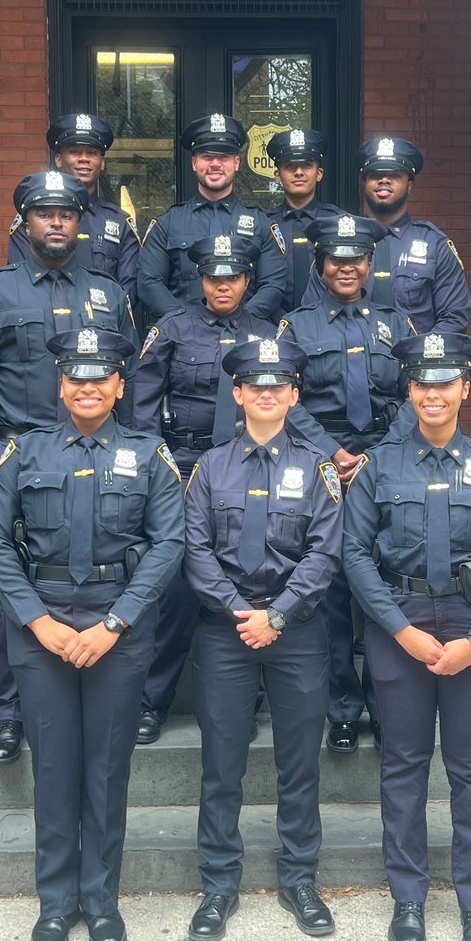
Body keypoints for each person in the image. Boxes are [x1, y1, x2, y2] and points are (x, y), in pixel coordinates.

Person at [0, 328, 185, 941]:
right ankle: (55, 904)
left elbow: (168, 546)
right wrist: (39, 623)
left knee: (104, 770)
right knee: (55, 768)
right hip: (41, 630)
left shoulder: (152, 456)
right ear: (60, 384)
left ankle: (100, 902)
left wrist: (114, 623)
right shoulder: (21, 451)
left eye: (100, 378)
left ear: (120, 386)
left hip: (115, 631)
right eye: (76, 378)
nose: (88, 388)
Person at [342, 332, 471, 941]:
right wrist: (401, 630)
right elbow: (355, 554)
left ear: (461, 390)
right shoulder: (380, 468)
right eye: (422, 382)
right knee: (403, 764)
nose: (433, 393)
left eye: (445, 382)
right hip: (402, 624)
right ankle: (409, 898)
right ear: (410, 390)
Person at [0, 170, 140, 766]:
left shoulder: (109, 293)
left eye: (67, 213)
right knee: (11, 585)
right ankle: (8, 715)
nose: (57, 222)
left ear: (80, 223)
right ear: (25, 222)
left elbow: (126, 378)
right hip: (19, 453)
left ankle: (97, 697)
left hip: (97, 451)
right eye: (44, 213)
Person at [183, 337, 343, 941]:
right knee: (220, 766)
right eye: (256, 384)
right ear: (239, 393)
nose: (268, 393)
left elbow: (326, 551)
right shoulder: (208, 468)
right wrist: (238, 612)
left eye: (279, 385)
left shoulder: (318, 470)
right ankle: (219, 884)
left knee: (299, 764)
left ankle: (300, 878)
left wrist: (275, 615)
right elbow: (194, 551)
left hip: (297, 633)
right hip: (225, 636)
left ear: (294, 395)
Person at [277, 214, 415, 754]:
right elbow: (286, 398)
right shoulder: (296, 326)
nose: (347, 267)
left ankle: (385, 706)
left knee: (383, 582)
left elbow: (414, 394)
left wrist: (376, 456)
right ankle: (342, 708)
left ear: (369, 265)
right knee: (331, 592)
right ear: (320, 265)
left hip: (385, 462)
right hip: (322, 464)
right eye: (336, 259)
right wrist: (333, 453)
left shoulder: (396, 323)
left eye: (356, 259)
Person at [131, 234, 277, 743]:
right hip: (184, 466)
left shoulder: (265, 334)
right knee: (173, 587)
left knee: (249, 573)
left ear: (247, 280)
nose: (222, 285)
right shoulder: (172, 328)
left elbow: (280, 404)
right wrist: (159, 466)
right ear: (200, 280)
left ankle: (247, 701)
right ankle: (153, 699)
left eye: (232, 277)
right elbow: (143, 401)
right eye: (213, 277)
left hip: (250, 467)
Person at [137, 114, 287, 322]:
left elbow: (273, 285)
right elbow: (149, 282)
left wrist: (241, 323)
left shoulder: (261, 223)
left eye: (224, 156)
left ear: (236, 163)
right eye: (207, 156)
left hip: (245, 342)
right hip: (183, 342)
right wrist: (183, 325)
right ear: (194, 163)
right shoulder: (167, 223)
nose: (215, 164)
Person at [7, 113, 140, 301]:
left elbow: (128, 290)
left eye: (92, 153)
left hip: (105, 325)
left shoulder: (120, 222)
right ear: (59, 160)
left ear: (102, 163)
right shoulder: (30, 218)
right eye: (75, 152)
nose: (83, 159)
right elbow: (22, 281)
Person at [357, 136, 471, 333]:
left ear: (409, 185)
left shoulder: (435, 245)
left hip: (415, 360)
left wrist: (418, 356)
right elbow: (318, 314)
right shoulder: (340, 241)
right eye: (375, 175)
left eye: (394, 175)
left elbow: (454, 317)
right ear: (364, 182)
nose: (384, 180)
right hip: (353, 360)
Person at [265, 128, 343, 310]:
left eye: (307, 165)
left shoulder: (337, 222)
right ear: (278, 175)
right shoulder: (264, 224)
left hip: (327, 325)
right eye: (290, 166)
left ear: (319, 174)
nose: (299, 172)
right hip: (272, 326)